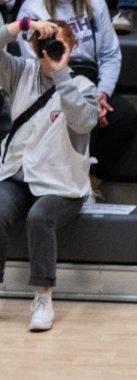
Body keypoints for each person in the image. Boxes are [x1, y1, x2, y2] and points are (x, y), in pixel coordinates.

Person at [0, 18, 97, 332]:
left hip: (61, 186)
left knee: (40, 217)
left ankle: (43, 297)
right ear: (35, 45)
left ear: (71, 46)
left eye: (59, 42)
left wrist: (61, 73)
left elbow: (83, 122)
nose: (51, 48)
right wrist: (22, 24)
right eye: (46, 42)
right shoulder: (19, 72)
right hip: (17, 176)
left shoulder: (82, 86)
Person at [16, 0, 137, 204]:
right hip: (51, 85)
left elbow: (110, 54)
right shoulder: (32, 8)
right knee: (78, 115)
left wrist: (102, 94)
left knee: (125, 117)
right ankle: (67, 186)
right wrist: (71, 94)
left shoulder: (96, 4)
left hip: (91, 82)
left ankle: (91, 185)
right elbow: (34, 66)